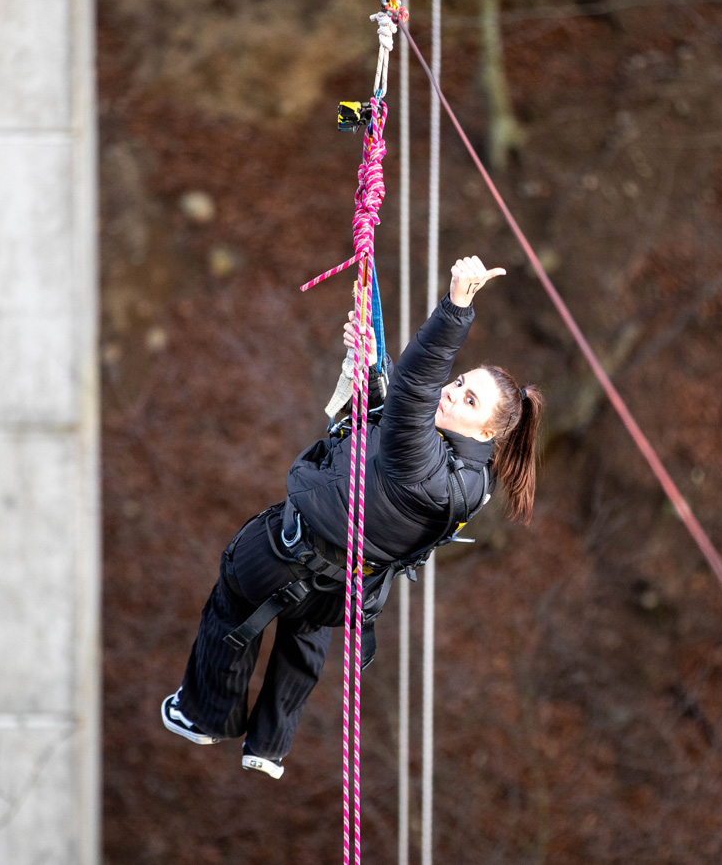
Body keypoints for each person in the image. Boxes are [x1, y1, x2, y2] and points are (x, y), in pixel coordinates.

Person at [162, 256, 544, 778]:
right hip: (345, 586)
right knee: (306, 634)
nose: (450, 393)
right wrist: (367, 370)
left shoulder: (430, 463)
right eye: (458, 382)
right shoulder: (469, 481)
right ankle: (269, 744)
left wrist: (457, 306)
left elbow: (411, 395)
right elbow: (387, 445)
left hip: (287, 548)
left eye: (468, 399)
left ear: (487, 433)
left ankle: (206, 715)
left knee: (233, 602)